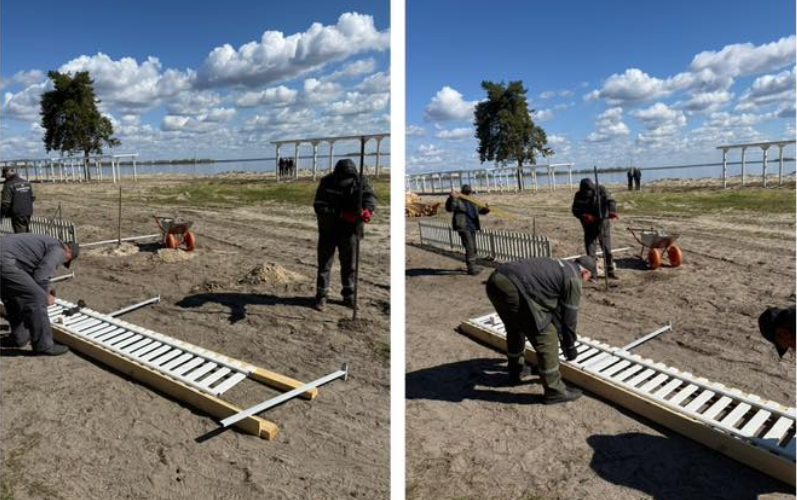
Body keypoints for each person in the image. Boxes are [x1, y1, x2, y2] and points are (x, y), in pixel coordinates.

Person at [485, 255, 597, 404]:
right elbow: (569, 317)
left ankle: (516, 370)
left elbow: (557, 312)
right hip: (513, 287)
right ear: (585, 273)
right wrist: (569, 346)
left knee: (515, 327)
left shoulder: (561, 266)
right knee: (547, 336)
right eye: (589, 278)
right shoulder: (573, 278)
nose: (586, 281)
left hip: (496, 280)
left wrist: (565, 339)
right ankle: (554, 391)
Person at [313, 159, 377, 311]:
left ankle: (349, 295)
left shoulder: (361, 181)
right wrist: (341, 214)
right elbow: (319, 206)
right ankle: (322, 296)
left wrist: (368, 210)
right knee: (325, 264)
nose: (345, 182)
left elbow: (370, 197)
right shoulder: (326, 182)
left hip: (351, 231)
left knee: (350, 265)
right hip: (329, 229)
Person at [0, 234, 80, 356]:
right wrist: (46, 295)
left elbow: (31, 275)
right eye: (66, 260)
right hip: (4, 260)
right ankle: (44, 346)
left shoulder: (43, 244)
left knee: (14, 297)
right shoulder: (59, 250)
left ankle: (19, 338)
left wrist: (47, 289)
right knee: (37, 297)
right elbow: (41, 277)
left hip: (5, 258)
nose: (62, 262)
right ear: (69, 251)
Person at [572, 178, 619, 279]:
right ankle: (593, 274)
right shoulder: (579, 195)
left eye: (589, 191)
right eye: (585, 192)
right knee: (590, 251)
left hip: (603, 223)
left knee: (607, 249)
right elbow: (575, 210)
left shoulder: (601, 190)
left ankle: (610, 271)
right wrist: (585, 216)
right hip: (589, 226)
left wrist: (612, 211)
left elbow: (611, 201)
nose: (587, 194)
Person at [445, 184, 490, 276]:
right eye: (466, 192)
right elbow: (450, 208)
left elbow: (482, 211)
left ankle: (474, 266)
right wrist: (451, 198)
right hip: (463, 227)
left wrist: (487, 208)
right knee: (469, 247)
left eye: (469, 192)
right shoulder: (457, 200)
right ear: (462, 192)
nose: (468, 194)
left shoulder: (473, 201)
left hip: (472, 227)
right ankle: (471, 269)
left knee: (473, 247)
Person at [1, 167, 35, 233]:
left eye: (5, 177)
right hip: (28, 212)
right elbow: (32, 197)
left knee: (20, 234)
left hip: (17, 214)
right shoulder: (26, 182)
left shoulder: (8, 185)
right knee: (26, 230)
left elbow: (6, 203)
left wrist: (2, 214)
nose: (5, 179)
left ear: (7, 175)